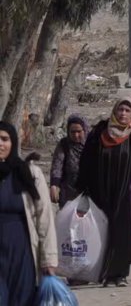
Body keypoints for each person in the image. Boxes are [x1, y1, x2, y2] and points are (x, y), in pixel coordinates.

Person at [77, 97, 131, 286]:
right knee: (100, 232)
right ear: (114, 111)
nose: (123, 114)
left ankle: (118, 274)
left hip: (127, 193)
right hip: (100, 192)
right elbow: (86, 160)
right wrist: (82, 188)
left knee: (124, 232)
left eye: (127, 110)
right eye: (120, 109)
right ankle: (99, 271)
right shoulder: (100, 131)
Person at [0, 122, 57, 305]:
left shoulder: (29, 173)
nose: (0, 144)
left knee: (22, 299)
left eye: (4, 139)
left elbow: (44, 218)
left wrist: (49, 259)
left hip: (22, 250)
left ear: (13, 142)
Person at [49, 114, 88, 207]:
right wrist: (54, 185)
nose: (76, 135)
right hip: (68, 191)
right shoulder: (64, 144)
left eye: (79, 131)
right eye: (72, 132)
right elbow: (57, 166)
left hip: (89, 192)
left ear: (85, 130)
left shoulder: (93, 143)